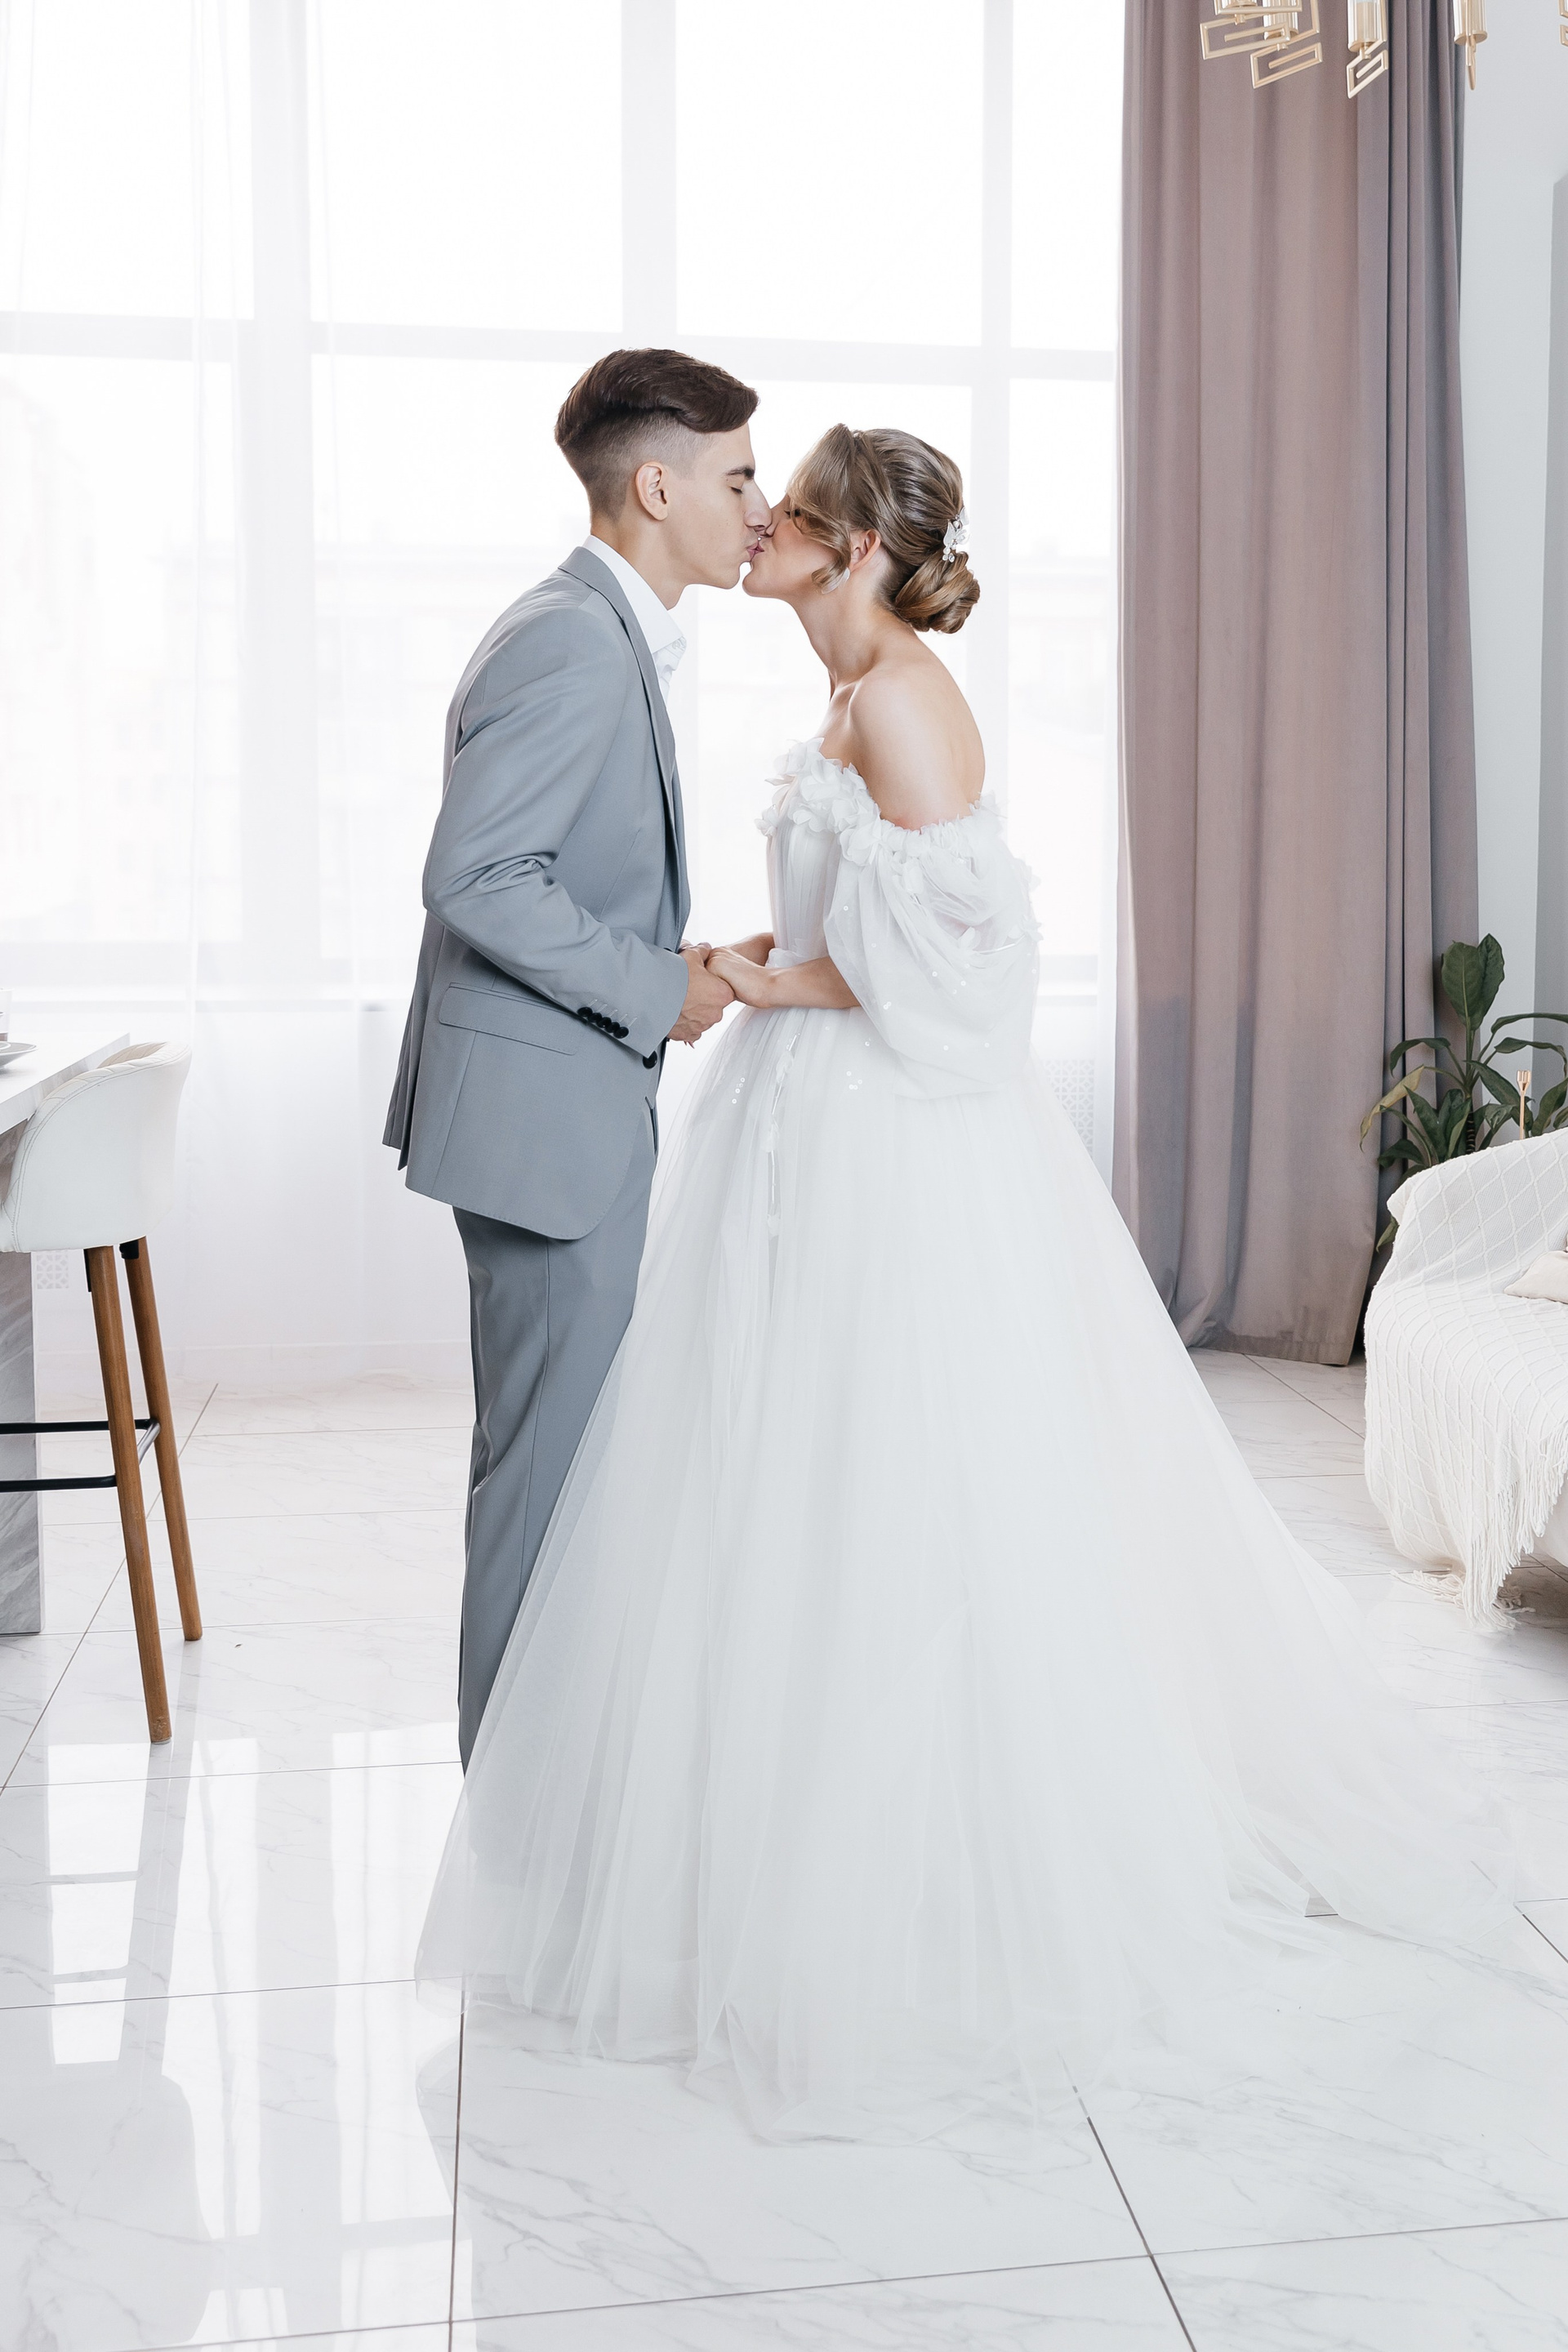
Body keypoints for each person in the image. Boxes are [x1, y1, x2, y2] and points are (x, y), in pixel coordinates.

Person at [418, 425, 1509, 2139]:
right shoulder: (848, 697)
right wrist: (761, 973)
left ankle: (923, 1865)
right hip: (796, 1127)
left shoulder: (912, 705)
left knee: (904, 1487)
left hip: (893, 1147)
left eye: (793, 510)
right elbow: (858, 933)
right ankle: (737, 1837)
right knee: (774, 1486)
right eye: (752, 495)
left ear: (856, 553)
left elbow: (964, 987)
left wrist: (768, 988)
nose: (762, 524)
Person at [384, 349, 771, 1766]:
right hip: (547, 1132)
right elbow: (478, 877)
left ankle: (540, 1804)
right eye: (740, 478)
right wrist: (654, 989)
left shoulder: (586, 626)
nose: (763, 509)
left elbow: (556, 875)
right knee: (544, 1485)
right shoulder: (573, 640)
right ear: (657, 487)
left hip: (554, 1110)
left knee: (554, 1472)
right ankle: (518, 1826)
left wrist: (680, 960)